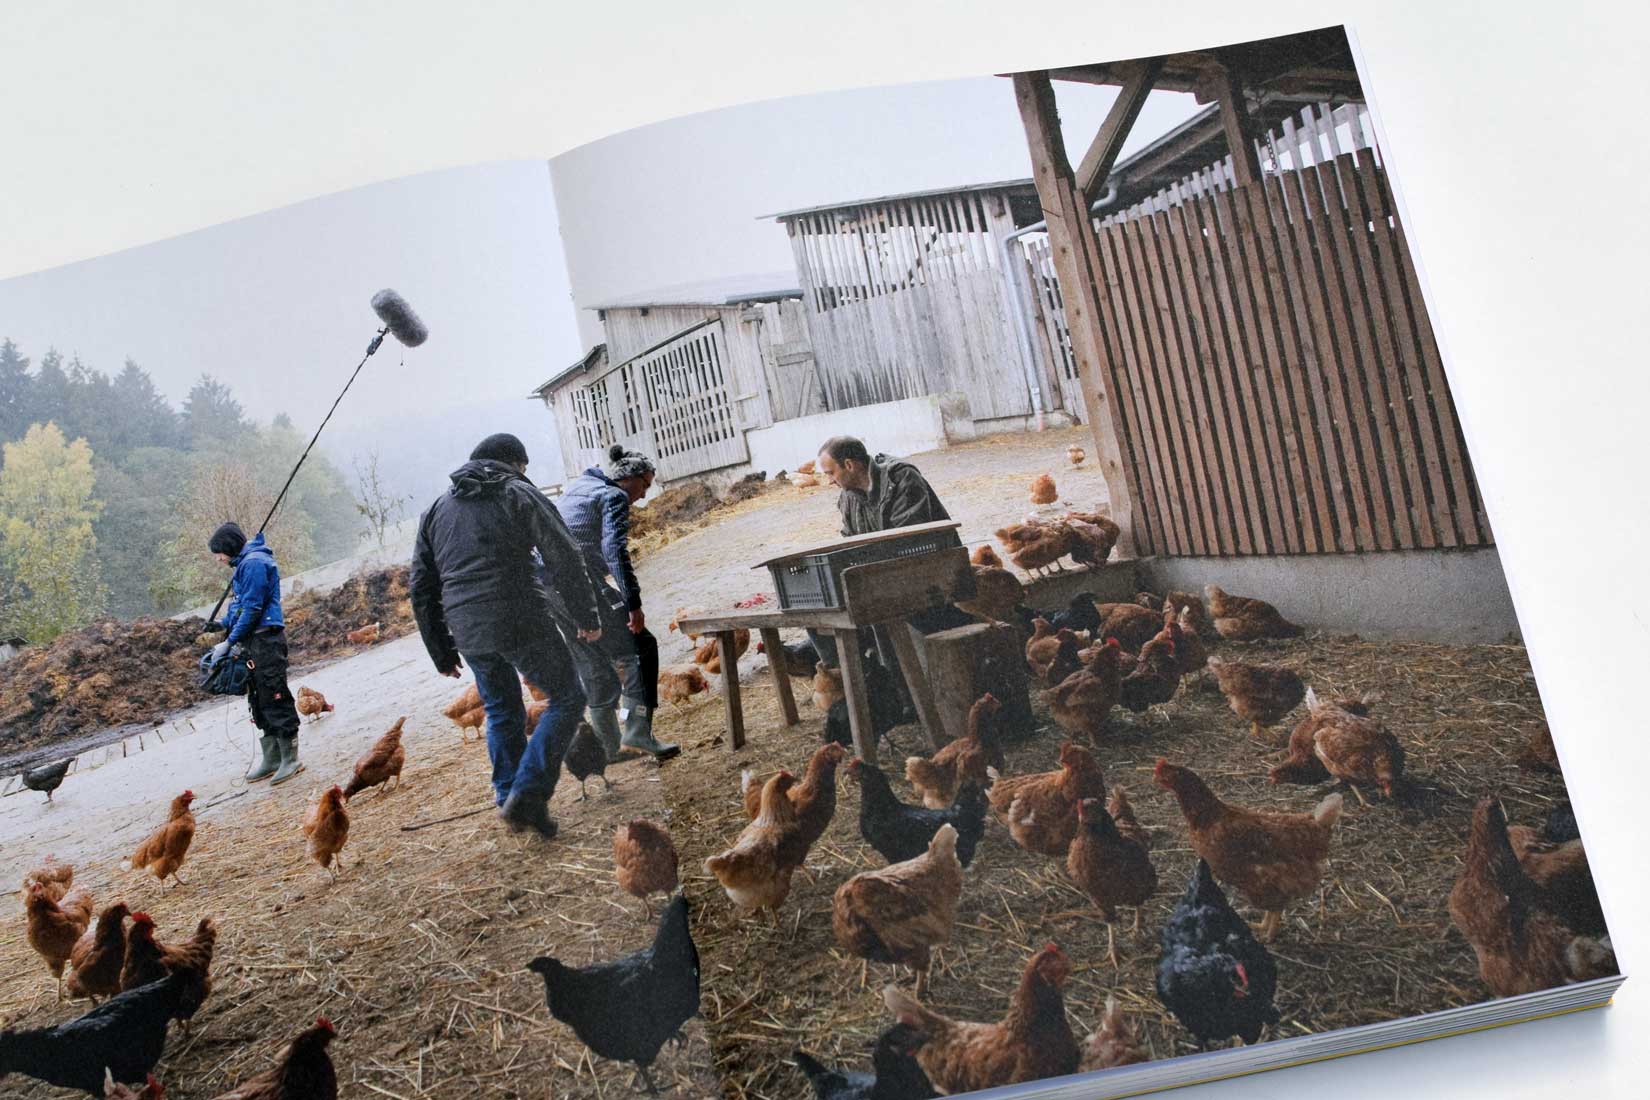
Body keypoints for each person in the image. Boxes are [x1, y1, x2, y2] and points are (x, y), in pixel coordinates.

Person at [409, 432, 605, 839]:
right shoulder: (516, 491)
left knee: (501, 710)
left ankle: (508, 797)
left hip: (467, 629)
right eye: (524, 467)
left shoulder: (436, 510)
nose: (524, 473)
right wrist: (585, 613)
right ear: (514, 463)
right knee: (568, 697)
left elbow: (421, 586)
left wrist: (440, 648)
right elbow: (563, 551)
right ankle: (528, 793)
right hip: (519, 616)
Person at [550, 443, 680, 760]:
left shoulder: (581, 485)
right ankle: (637, 732)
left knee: (593, 659)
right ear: (629, 478)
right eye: (645, 485)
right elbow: (614, 550)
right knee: (639, 647)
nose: (644, 495)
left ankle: (609, 746)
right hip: (577, 582)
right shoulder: (614, 496)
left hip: (550, 588)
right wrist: (632, 602)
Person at [808, 435, 967, 676]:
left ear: (849, 465)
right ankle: (869, 681)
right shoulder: (847, 497)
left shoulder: (900, 477)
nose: (830, 481)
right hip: (884, 574)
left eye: (831, 473)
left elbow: (908, 538)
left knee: (877, 611)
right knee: (817, 618)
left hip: (925, 571)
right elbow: (849, 541)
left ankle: (897, 682)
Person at [207, 522, 304, 784]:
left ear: (228, 547)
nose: (218, 559)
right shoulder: (244, 565)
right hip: (253, 641)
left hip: (266, 639)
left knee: (274, 693)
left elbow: (252, 609)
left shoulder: (254, 564)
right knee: (259, 698)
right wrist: (222, 624)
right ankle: (272, 758)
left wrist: (229, 642)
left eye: (219, 553)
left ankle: (290, 758)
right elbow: (239, 606)